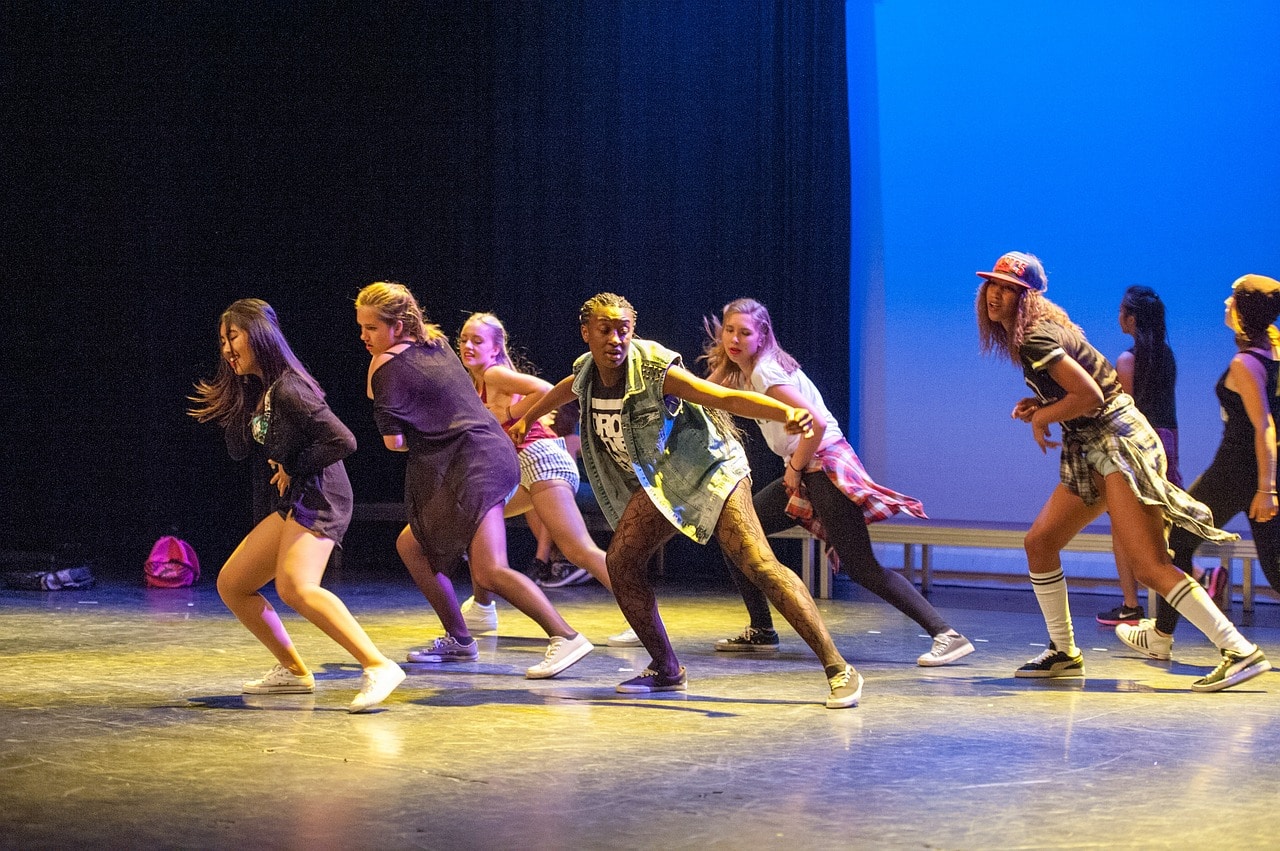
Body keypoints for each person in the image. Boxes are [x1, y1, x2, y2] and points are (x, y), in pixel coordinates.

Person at [512, 293, 863, 708]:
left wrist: (780, 411)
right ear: (586, 332)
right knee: (620, 562)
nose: (615, 339)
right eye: (605, 329)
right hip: (663, 482)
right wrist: (527, 418)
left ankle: (838, 667)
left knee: (759, 564)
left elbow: (723, 399)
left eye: (623, 329)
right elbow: (565, 390)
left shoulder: (655, 370)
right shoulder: (586, 372)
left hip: (712, 473)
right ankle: (666, 668)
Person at [976, 252, 1269, 691]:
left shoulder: (1036, 337)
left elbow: (1092, 395)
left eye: (1008, 289)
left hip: (1116, 444)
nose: (996, 295)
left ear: (1027, 298)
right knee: (1040, 542)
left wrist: (1042, 418)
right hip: (1094, 446)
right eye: (992, 286)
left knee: (1149, 564)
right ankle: (1064, 652)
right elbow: (1083, 390)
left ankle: (1239, 651)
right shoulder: (1037, 335)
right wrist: (1044, 406)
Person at [702, 298, 974, 666]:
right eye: (729, 331)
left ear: (763, 335)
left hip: (822, 466)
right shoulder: (748, 368)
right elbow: (704, 395)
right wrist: (723, 361)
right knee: (736, 531)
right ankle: (761, 630)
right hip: (809, 466)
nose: (734, 339)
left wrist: (795, 469)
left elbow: (811, 421)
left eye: (744, 332)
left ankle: (947, 634)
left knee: (860, 566)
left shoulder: (765, 372)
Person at [354, 282, 592, 678]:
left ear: (397, 326)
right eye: (361, 327)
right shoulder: (436, 343)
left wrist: (426, 427)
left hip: (473, 467)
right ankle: (461, 640)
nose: (364, 336)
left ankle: (564, 636)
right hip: (489, 457)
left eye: (371, 328)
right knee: (413, 544)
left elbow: (394, 443)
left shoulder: (385, 366)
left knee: (490, 570)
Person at [189, 298, 405, 713]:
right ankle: (292, 671)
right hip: (297, 496)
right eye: (222, 340)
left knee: (296, 586)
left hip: (323, 493)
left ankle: (378, 665)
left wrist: (295, 463)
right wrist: (237, 397)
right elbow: (238, 451)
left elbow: (343, 440)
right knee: (233, 583)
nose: (226, 348)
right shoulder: (264, 392)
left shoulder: (289, 387)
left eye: (232, 336)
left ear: (259, 335)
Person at [1117, 275, 1280, 661]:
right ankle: (1160, 634)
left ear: (1244, 313)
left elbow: (1264, 425)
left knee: (1178, 542)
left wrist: (1266, 487)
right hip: (1250, 472)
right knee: (1274, 567)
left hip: (1237, 471)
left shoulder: (1246, 363)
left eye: (1233, 299)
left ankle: (1160, 636)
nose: (1226, 303)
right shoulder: (1271, 354)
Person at [455, 312, 638, 646]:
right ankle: (482, 608)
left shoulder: (495, 374)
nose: (468, 346)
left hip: (541, 460)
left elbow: (544, 389)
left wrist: (510, 414)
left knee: (578, 548)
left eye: (477, 341)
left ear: (496, 348)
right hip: (524, 468)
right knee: (477, 521)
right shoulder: (478, 382)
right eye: (464, 340)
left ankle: (642, 615)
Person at [1095, 286, 1199, 625]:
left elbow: (1125, 415)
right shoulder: (1165, 356)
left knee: (1124, 527)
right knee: (1156, 526)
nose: (1118, 316)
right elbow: (1168, 412)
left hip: (1137, 448)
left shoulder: (1127, 360)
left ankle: (1131, 605)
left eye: (1122, 310)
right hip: (1166, 442)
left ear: (1132, 317)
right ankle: (1195, 574)